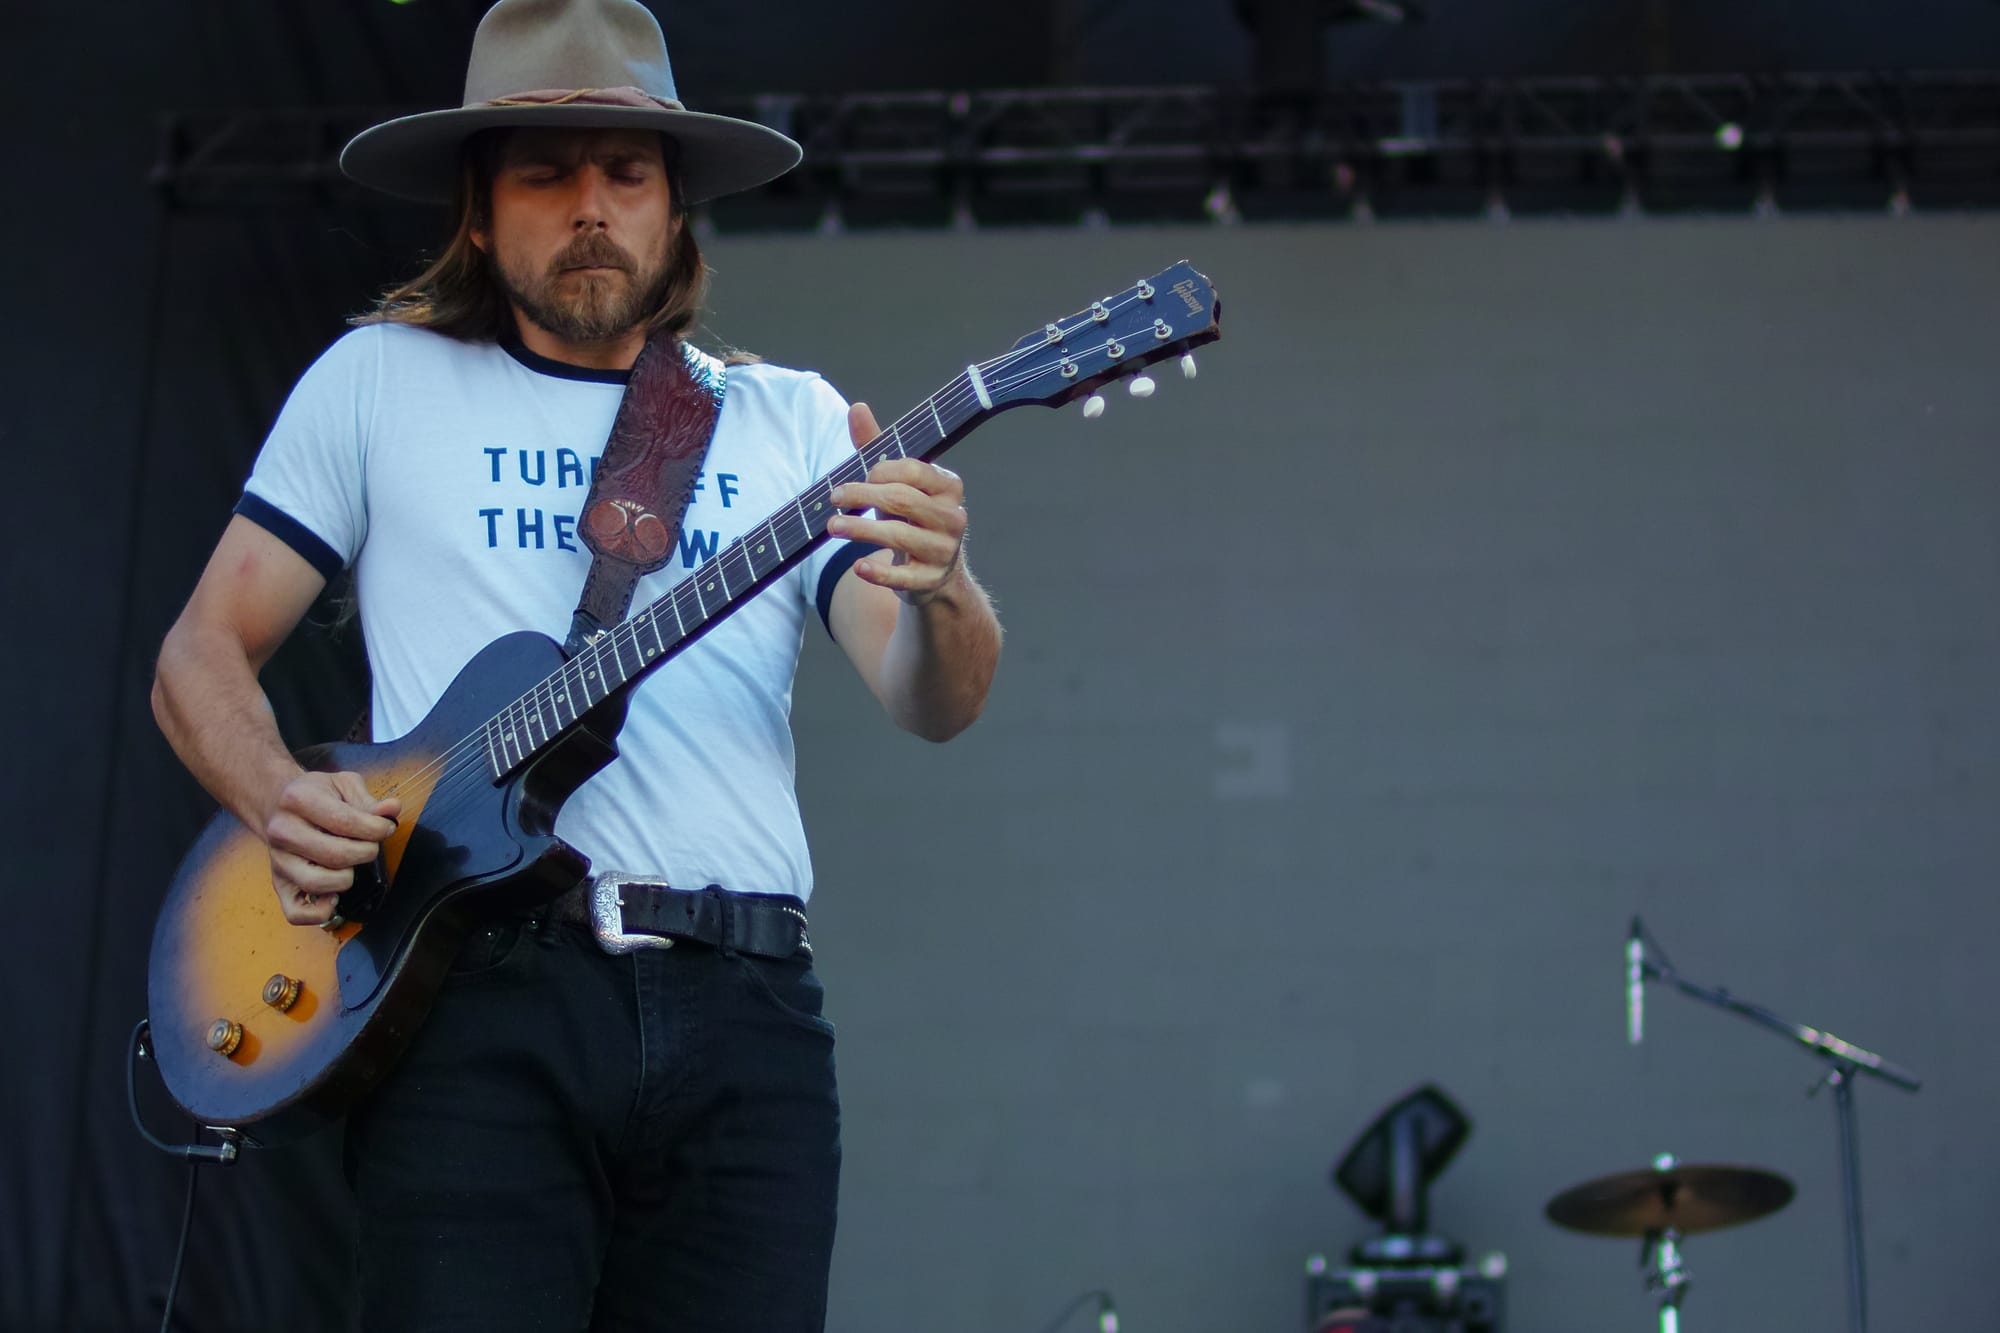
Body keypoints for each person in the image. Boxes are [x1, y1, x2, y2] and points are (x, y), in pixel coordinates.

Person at [148, 1, 1002, 1328]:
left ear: (675, 210)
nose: (590, 203)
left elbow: (929, 700)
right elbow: (200, 652)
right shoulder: (377, 381)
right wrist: (276, 795)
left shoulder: (784, 423)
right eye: (546, 172)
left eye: (626, 171)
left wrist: (946, 590)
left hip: (743, 1008)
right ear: (480, 213)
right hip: (473, 1004)